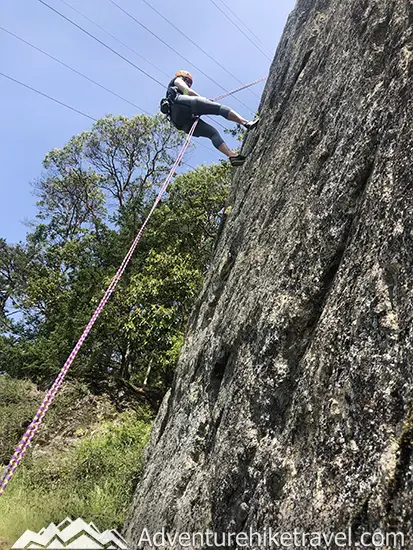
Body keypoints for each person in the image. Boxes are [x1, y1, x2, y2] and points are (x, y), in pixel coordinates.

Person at [164, 70, 259, 166]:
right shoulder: (177, 80)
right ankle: (246, 123)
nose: (188, 84)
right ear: (183, 77)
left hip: (181, 123)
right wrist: (203, 100)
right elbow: (187, 91)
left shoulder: (170, 95)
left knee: (212, 133)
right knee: (219, 109)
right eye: (188, 81)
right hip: (181, 103)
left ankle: (232, 156)